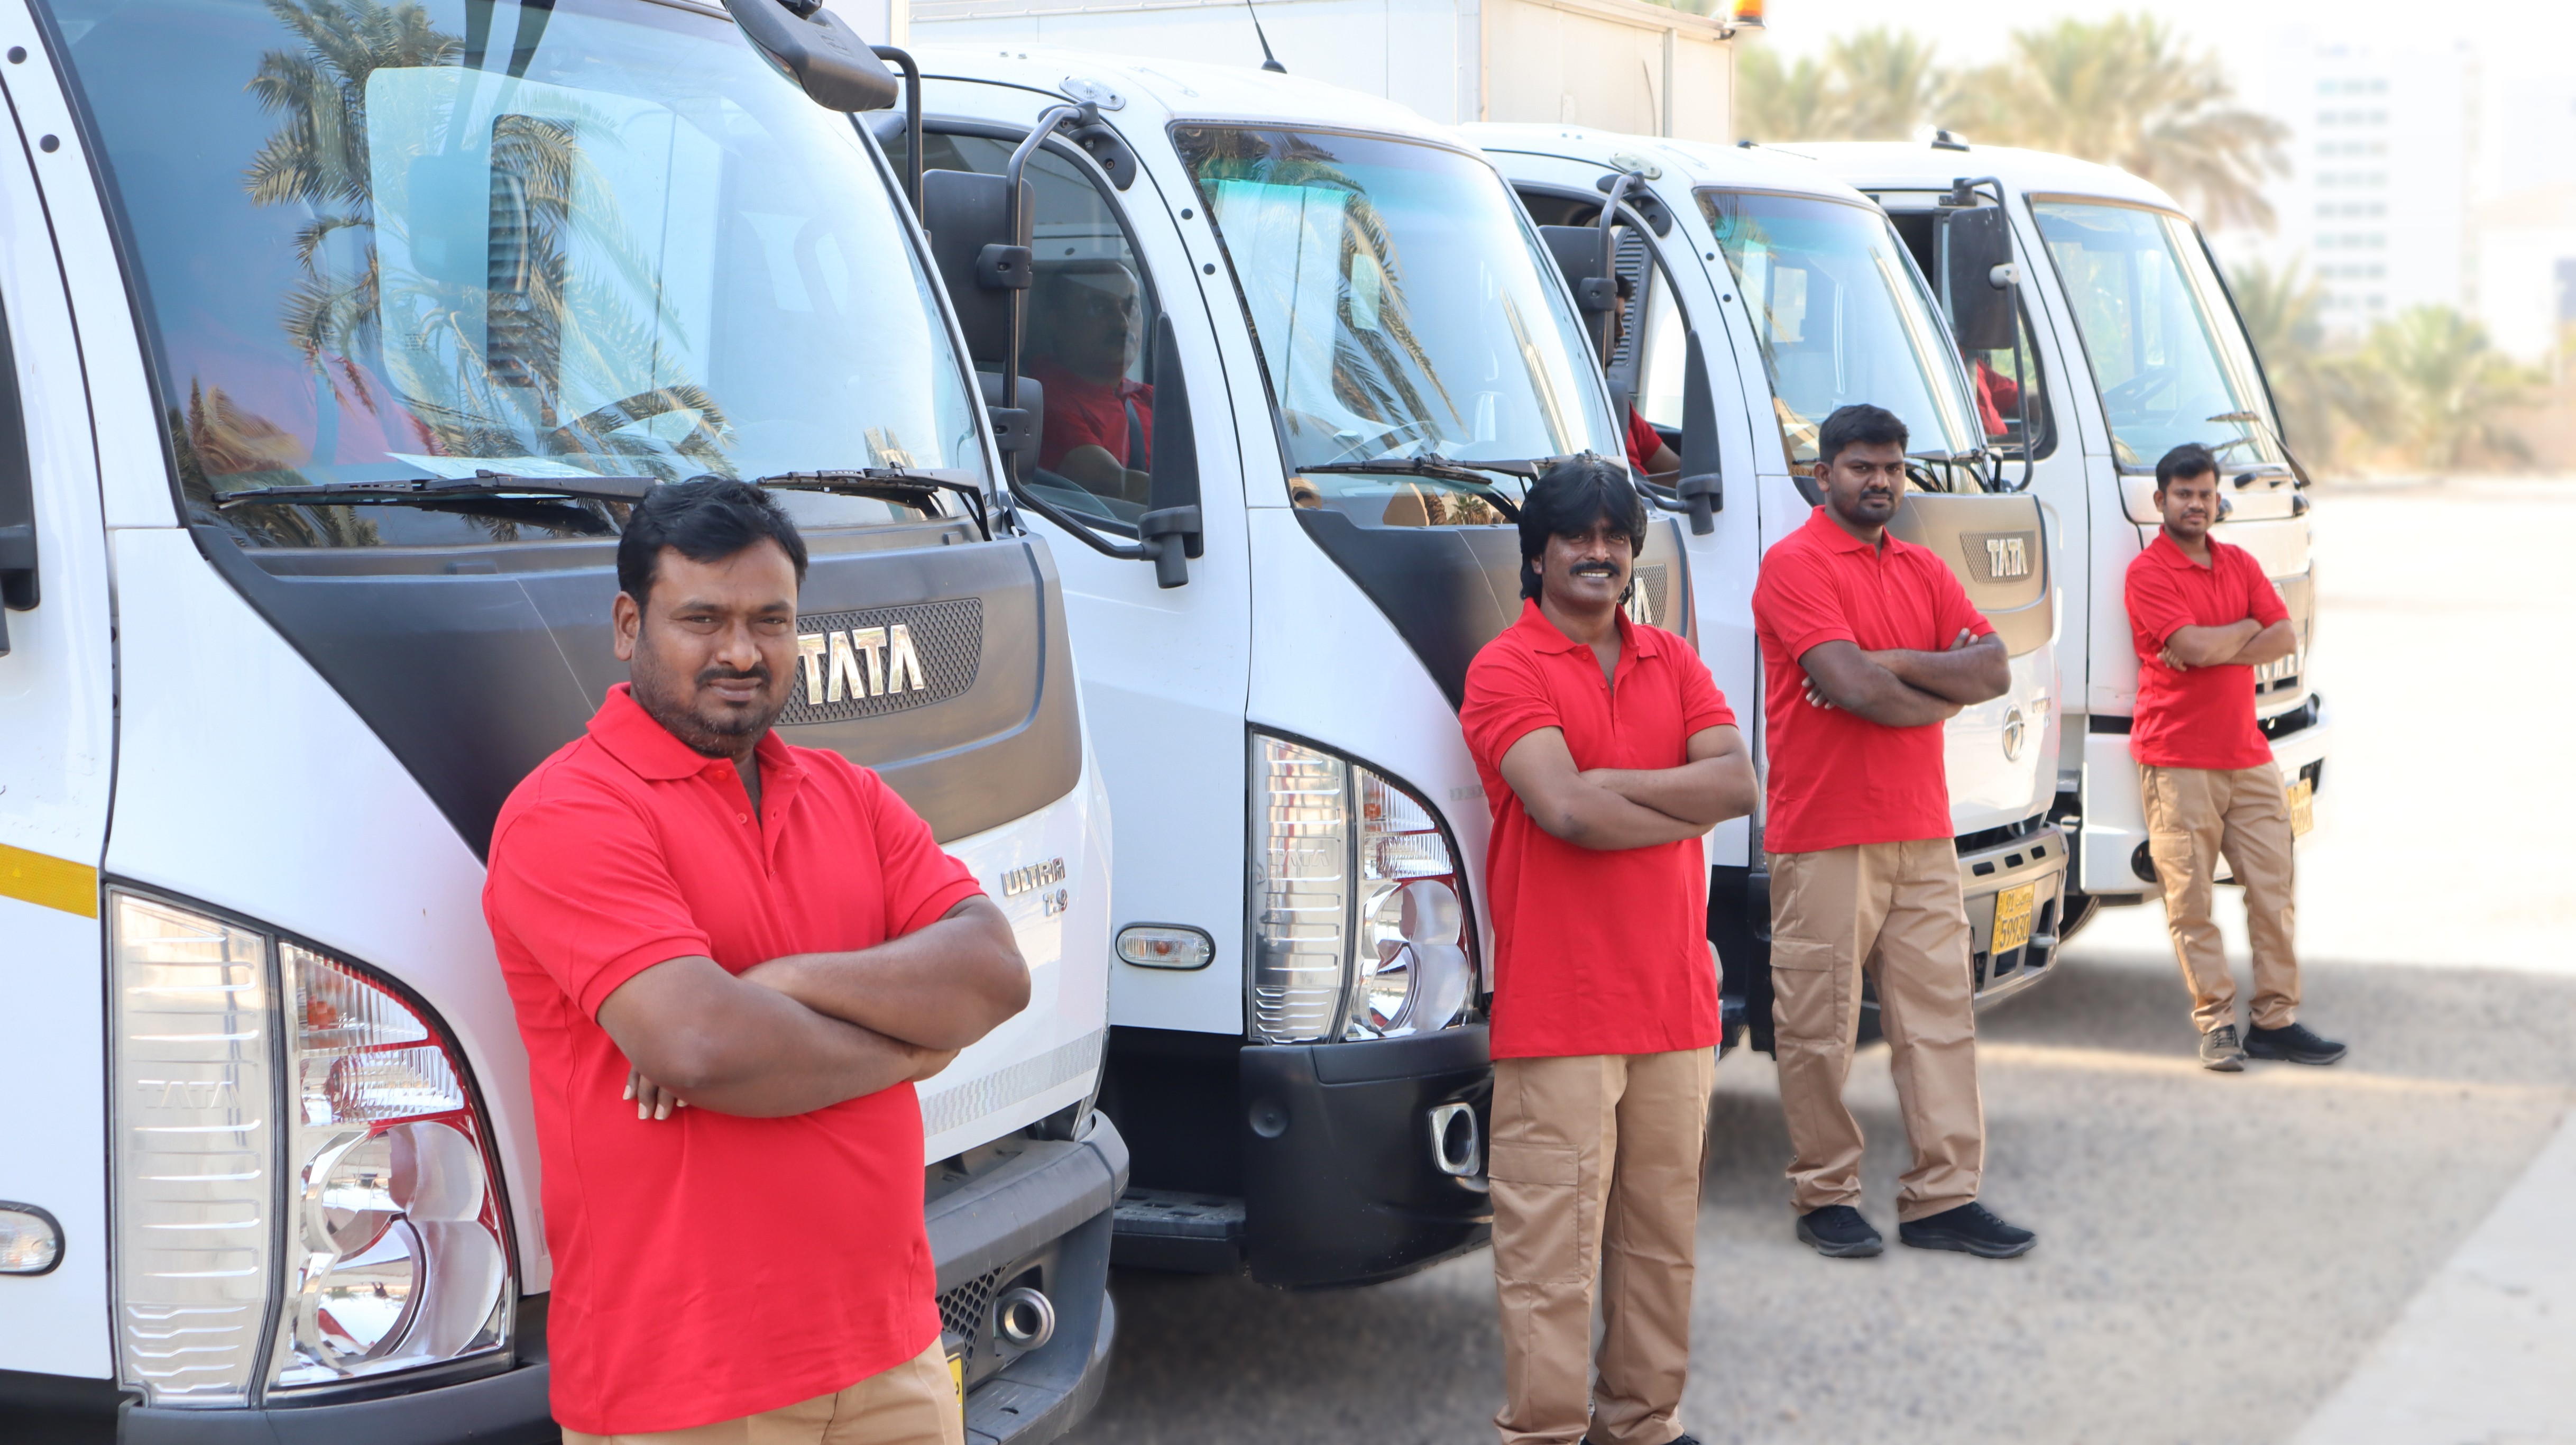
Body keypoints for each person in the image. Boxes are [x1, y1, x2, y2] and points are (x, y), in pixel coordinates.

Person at [482, 479, 1031, 1444]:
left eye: (770, 620)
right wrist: (917, 1047)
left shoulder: (847, 793)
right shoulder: (568, 813)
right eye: (703, 618)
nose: (741, 652)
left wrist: (783, 983)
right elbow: (700, 1045)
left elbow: (994, 972)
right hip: (689, 1385)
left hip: (893, 1353)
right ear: (629, 625)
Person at [1460, 458, 1756, 1445]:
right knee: (1551, 1252)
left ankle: (1642, 1424)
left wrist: (1613, 784)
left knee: (1660, 1242)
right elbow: (1565, 811)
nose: (1599, 553)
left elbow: (1738, 787)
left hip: (1676, 1001)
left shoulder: (1673, 658)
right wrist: (1672, 796)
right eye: (1577, 537)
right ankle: (1546, 1432)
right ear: (1537, 554)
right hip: (1562, 1006)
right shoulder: (1505, 667)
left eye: (1615, 538)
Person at [1751, 403, 2036, 1261]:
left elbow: (1993, 668)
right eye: (1861, 467)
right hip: (1825, 832)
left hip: (1921, 829)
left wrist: (1893, 664)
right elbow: (1849, 687)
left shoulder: (1923, 567)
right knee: (1818, 1026)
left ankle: (1942, 1198)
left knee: (1939, 1020)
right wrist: (1927, 691)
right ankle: (1825, 1193)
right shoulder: (1793, 565)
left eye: (1891, 468)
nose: (1879, 482)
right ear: (1822, 476)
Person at [2126, 443, 2344, 1071]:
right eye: (2183, 493)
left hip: (2247, 754)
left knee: (2274, 890)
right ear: (2161, 499)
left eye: (2205, 493)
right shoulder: (2148, 573)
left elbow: (2282, 636)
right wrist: (2244, 631)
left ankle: (2275, 1020)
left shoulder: (2241, 562)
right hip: (2176, 758)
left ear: (2217, 498)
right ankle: (2216, 1022)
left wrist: (2221, 641)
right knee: (2191, 901)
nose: (2196, 504)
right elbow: (2195, 647)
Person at [1026, 259, 1153, 504]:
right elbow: (1114, 485)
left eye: (1132, 309)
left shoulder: (1154, 397)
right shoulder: (1040, 402)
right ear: (1058, 323)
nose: (1124, 323)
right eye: (1101, 308)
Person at [1610, 274, 1681, 478]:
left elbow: (1675, 469)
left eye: (1622, 319)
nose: (1621, 332)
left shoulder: (1621, 407)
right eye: (1613, 319)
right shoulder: (1584, 406)